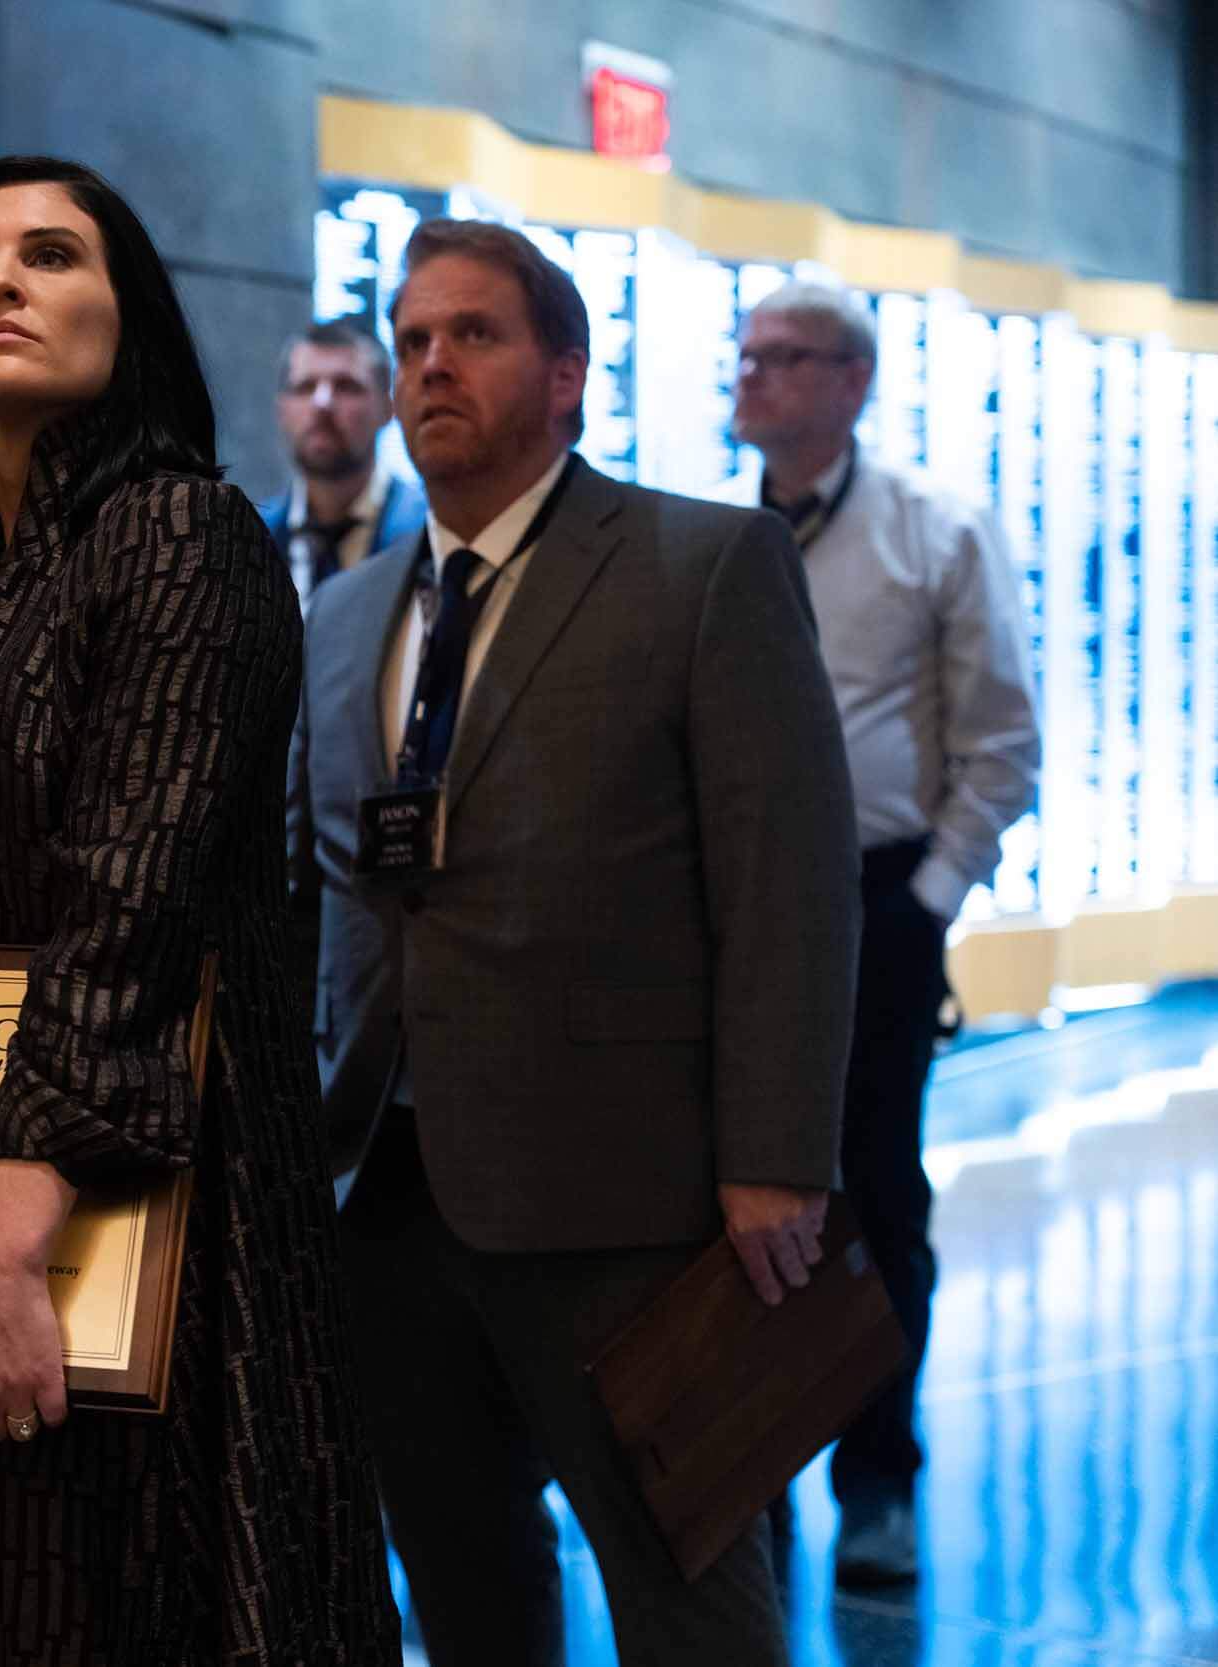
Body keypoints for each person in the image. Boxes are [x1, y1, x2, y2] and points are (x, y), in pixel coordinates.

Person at [0, 155, 395, 1667]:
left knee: (117, 1604)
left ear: (133, 320)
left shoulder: (180, 533)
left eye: (51, 255)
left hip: (135, 1206)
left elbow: (129, 914)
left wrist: (7, 1257)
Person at [289, 218, 861, 1664]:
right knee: (466, 1589)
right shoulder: (345, 614)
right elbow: (318, 895)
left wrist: (778, 1156)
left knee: (688, 1595)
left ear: (565, 377)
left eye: (472, 334)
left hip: (629, 1194)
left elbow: (789, 881)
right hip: (388, 1191)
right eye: (413, 340)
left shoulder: (700, 565)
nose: (431, 364)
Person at [710, 281, 1039, 1588]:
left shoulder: (935, 528)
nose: (754, 375)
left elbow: (1000, 735)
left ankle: (878, 1481)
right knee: (733, 1197)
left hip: (876, 899)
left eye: (786, 357)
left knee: (873, 1193)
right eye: (746, 354)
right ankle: (751, 1470)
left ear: (853, 381)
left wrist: (928, 900)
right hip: (728, 905)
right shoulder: (708, 535)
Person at [259, 320, 429, 610]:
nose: (322, 403)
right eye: (305, 387)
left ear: (389, 408)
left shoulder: (428, 530)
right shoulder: (252, 539)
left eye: (347, 387)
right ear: (281, 409)